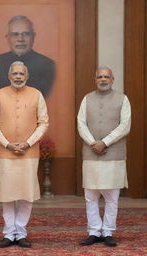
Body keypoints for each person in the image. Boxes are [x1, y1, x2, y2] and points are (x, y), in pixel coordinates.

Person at [0, 61, 49, 248]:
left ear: (27, 76)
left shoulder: (36, 94)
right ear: (9, 76)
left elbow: (44, 123)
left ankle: (21, 233)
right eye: (15, 73)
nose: (18, 76)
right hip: (6, 153)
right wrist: (7, 144)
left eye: (22, 73)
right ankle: (8, 233)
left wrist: (28, 143)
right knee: (7, 195)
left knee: (25, 195)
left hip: (29, 153)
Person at [77, 67, 131, 247]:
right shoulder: (87, 99)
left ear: (112, 79)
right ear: (95, 79)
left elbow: (125, 126)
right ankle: (93, 231)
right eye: (99, 76)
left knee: (111, 196)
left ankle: (107, 231)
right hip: (91, 153)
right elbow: (81, 123)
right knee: (90, 196)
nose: (103, 79)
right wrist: (94, 143)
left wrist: (104, 142)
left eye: (106, 76)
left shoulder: (123, 99)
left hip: (113, 155)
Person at [0, 15, 55, 98]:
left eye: (26, 34)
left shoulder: (48, 65)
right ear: (8, 38)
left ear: (33, 36)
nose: (20, 39)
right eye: (15, 34)